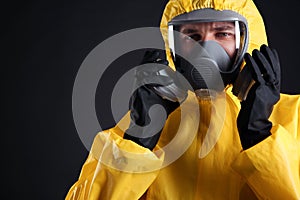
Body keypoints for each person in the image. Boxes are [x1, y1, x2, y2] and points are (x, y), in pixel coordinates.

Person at [66, 0, 300, 199]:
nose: (205, 50)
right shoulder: (138, 127)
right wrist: (138, 141)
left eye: (223, 34)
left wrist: (260, 136)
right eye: (191, 36)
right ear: (172, 47)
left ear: (249, 41)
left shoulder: (294, 117)